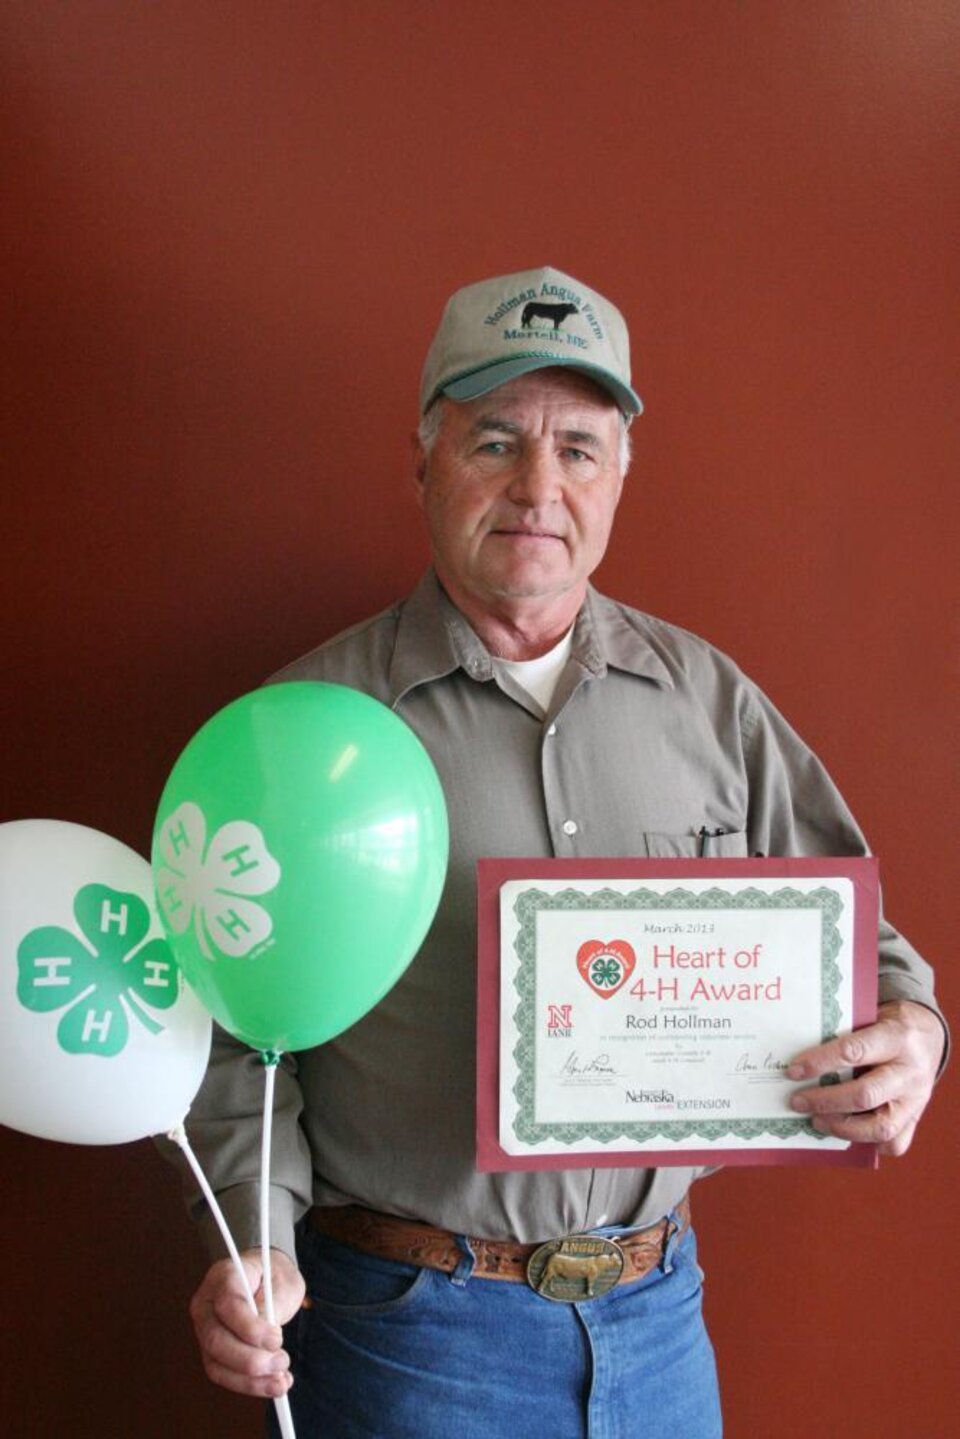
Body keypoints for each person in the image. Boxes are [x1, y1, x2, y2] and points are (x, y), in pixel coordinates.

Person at [180, 266, 945, 1438]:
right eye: (496, 440)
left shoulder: (712, 704)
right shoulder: (305, 729)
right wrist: (258, 1245)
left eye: (580, 448)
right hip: (410, 1335)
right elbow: (238, 1031)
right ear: (424, 459)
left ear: (622, 472)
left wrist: (916, 1032)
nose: (540, 487)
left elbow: (862, 947)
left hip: (659, 1318)